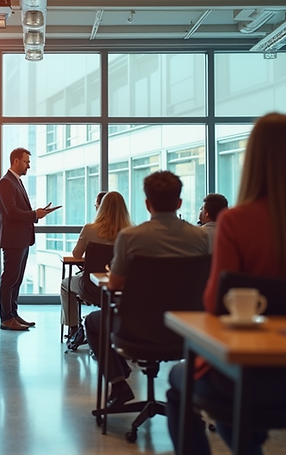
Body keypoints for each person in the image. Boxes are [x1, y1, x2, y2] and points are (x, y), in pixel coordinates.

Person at [167, 113, 286, 455]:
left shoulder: (235, 221)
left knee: (179, 384)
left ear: (252, 159)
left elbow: (214, 304)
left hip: (243, 379)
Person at [86, 171, 210, 407]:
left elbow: (114, 285)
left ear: (147, 203)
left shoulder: (130, 237)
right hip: (185, 329)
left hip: (136, 329)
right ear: (179, 203)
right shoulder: (199, 237)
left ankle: (119, 382)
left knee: (92, 322)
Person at [59, 191, 132, 333]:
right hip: (120, 286)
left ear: (101, 207)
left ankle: (73, 328)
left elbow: (76, 254)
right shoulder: (131, 232)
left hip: (90, 286)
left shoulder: (89, 229)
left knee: (65, 284)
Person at [0, 147, 50, 331]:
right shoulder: (6, 182)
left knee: (17, 279)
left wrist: (36, 214)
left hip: (22, 239)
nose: (29, 165)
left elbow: (19, 210)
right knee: (9, 279)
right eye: (26, 161)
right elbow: (11, 211)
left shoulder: (16, 181)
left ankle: (13, 314)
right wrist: (34, 214)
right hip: (13, 240)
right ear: (16, 161)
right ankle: (6, 318)